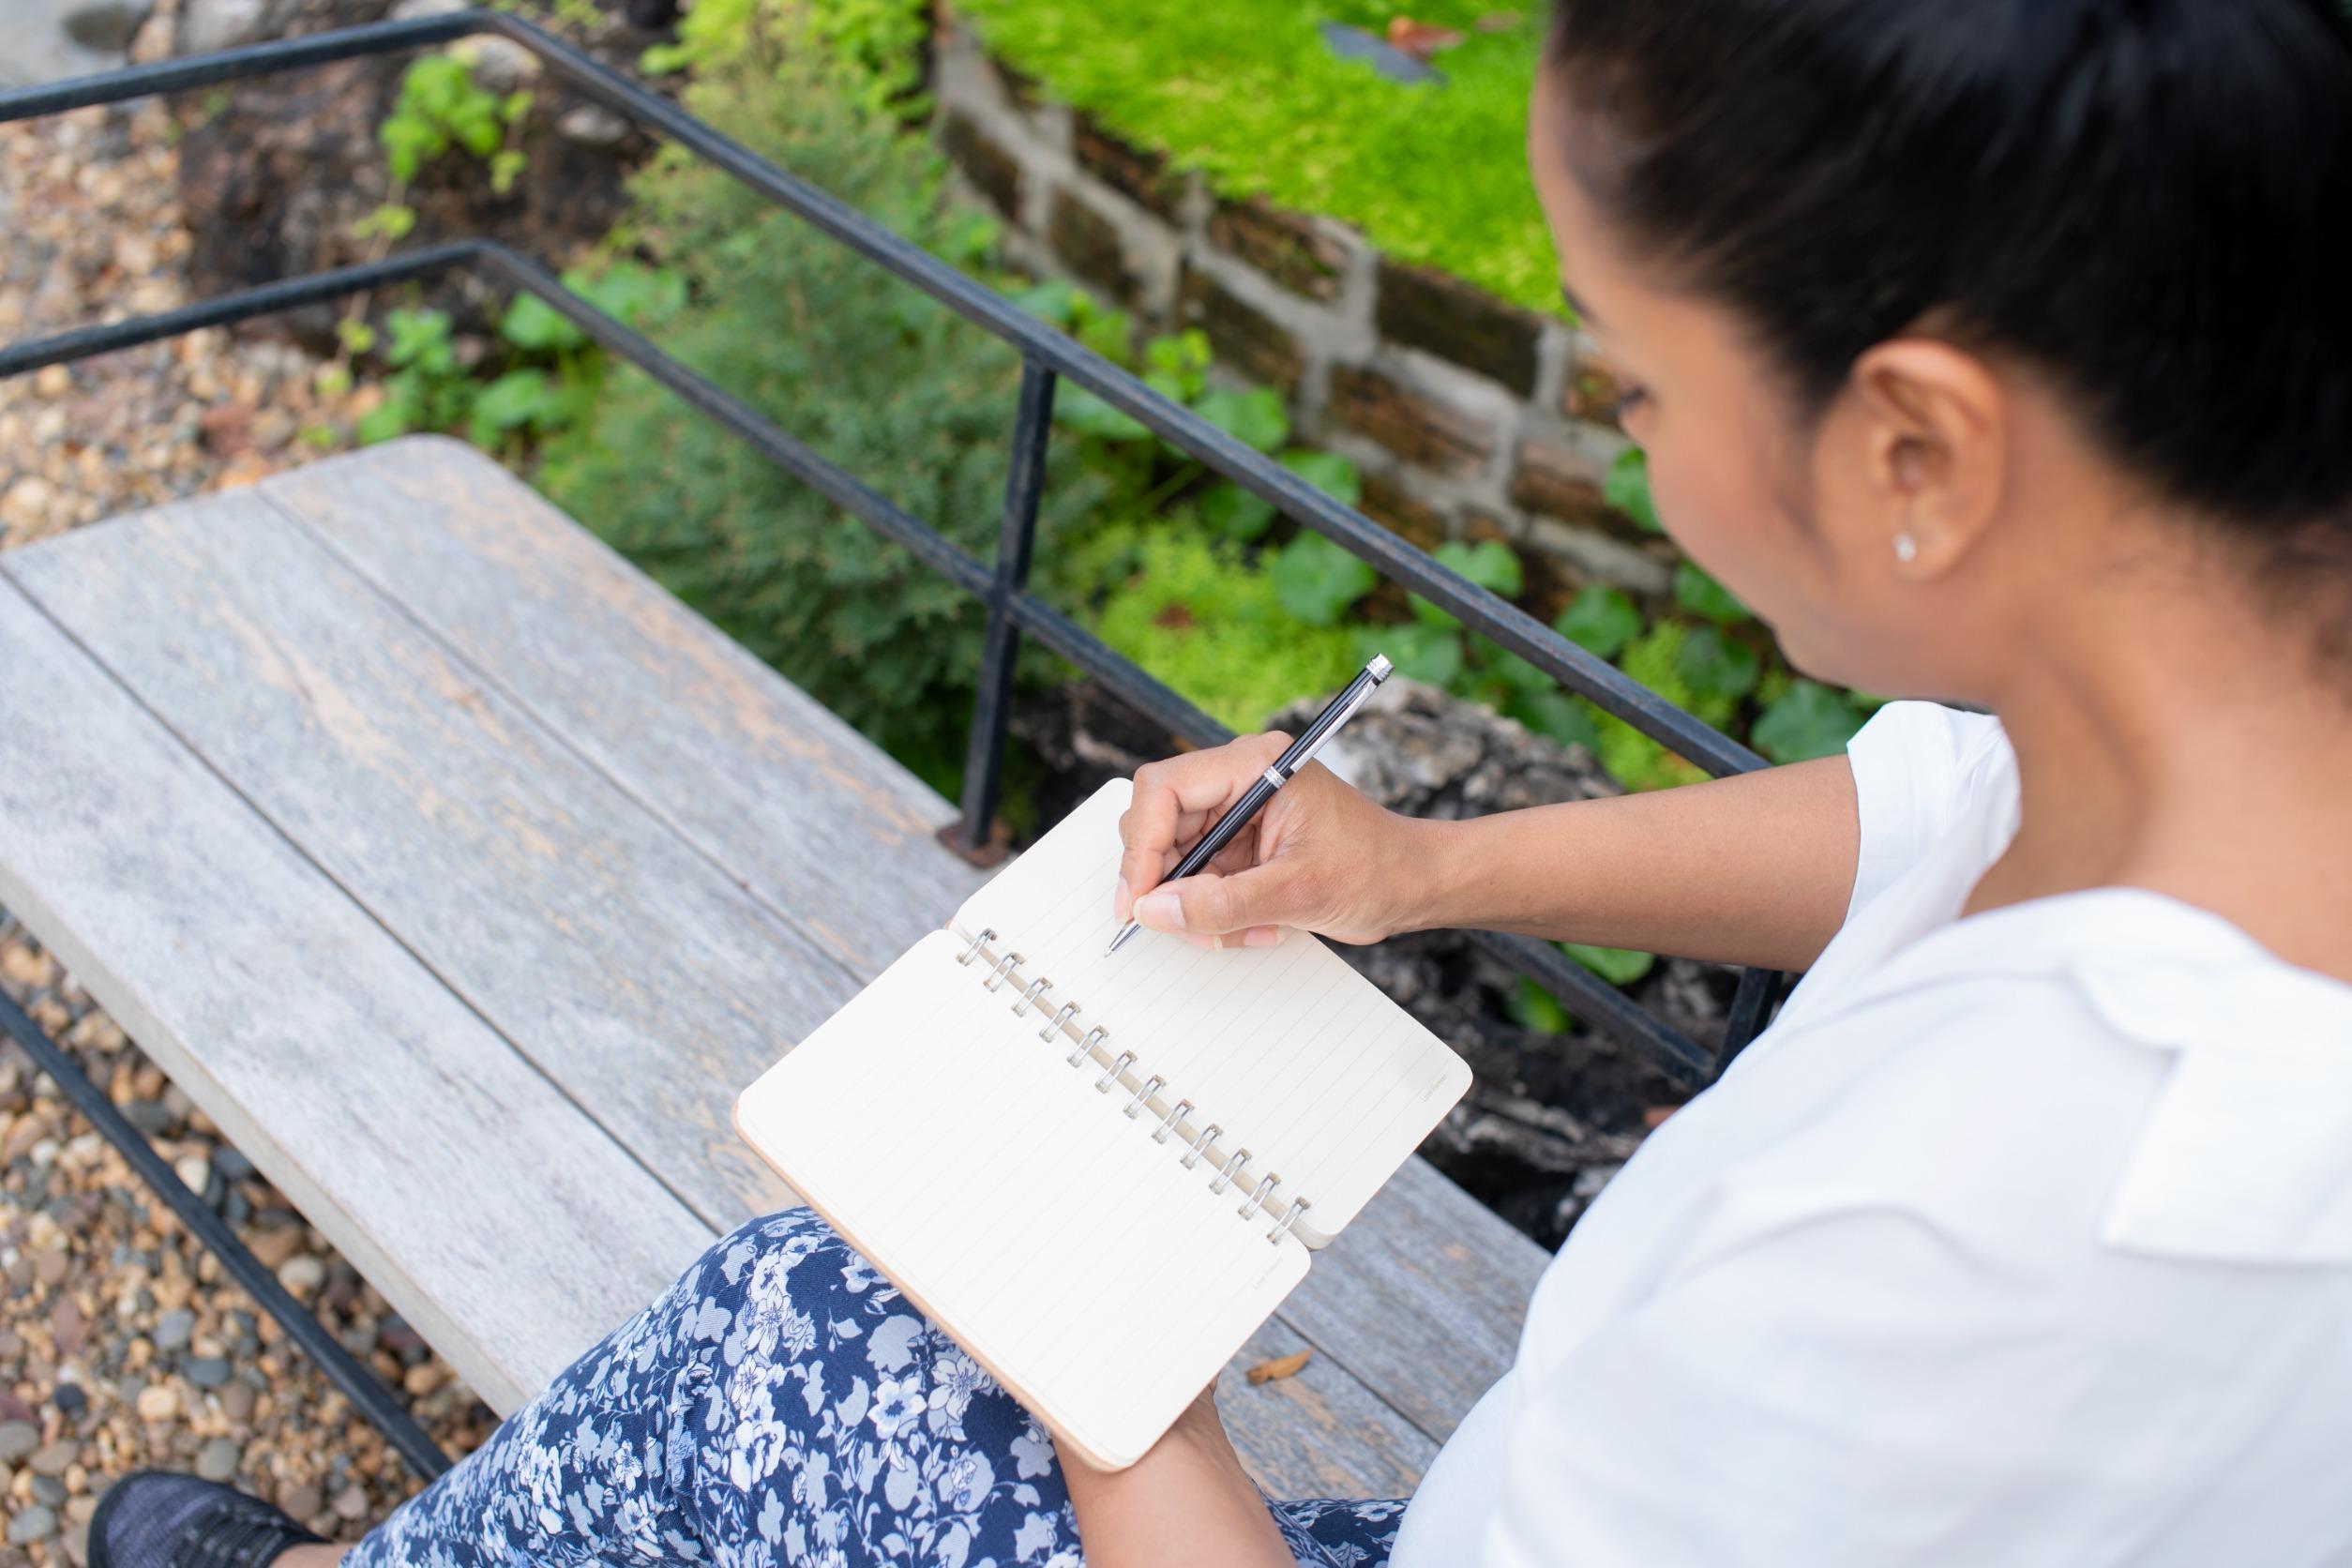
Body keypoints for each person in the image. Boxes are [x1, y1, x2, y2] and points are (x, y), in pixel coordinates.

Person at [91, 0, 2352, 1562]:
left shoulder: (1999, 1225)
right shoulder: (2235, 707)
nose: (1612, 435)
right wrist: (1417, 862)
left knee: (808, 1332)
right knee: (807, 1330)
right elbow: (1924, 817)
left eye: (1637, 379)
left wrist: (1096, 1329)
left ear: (1917, 446)